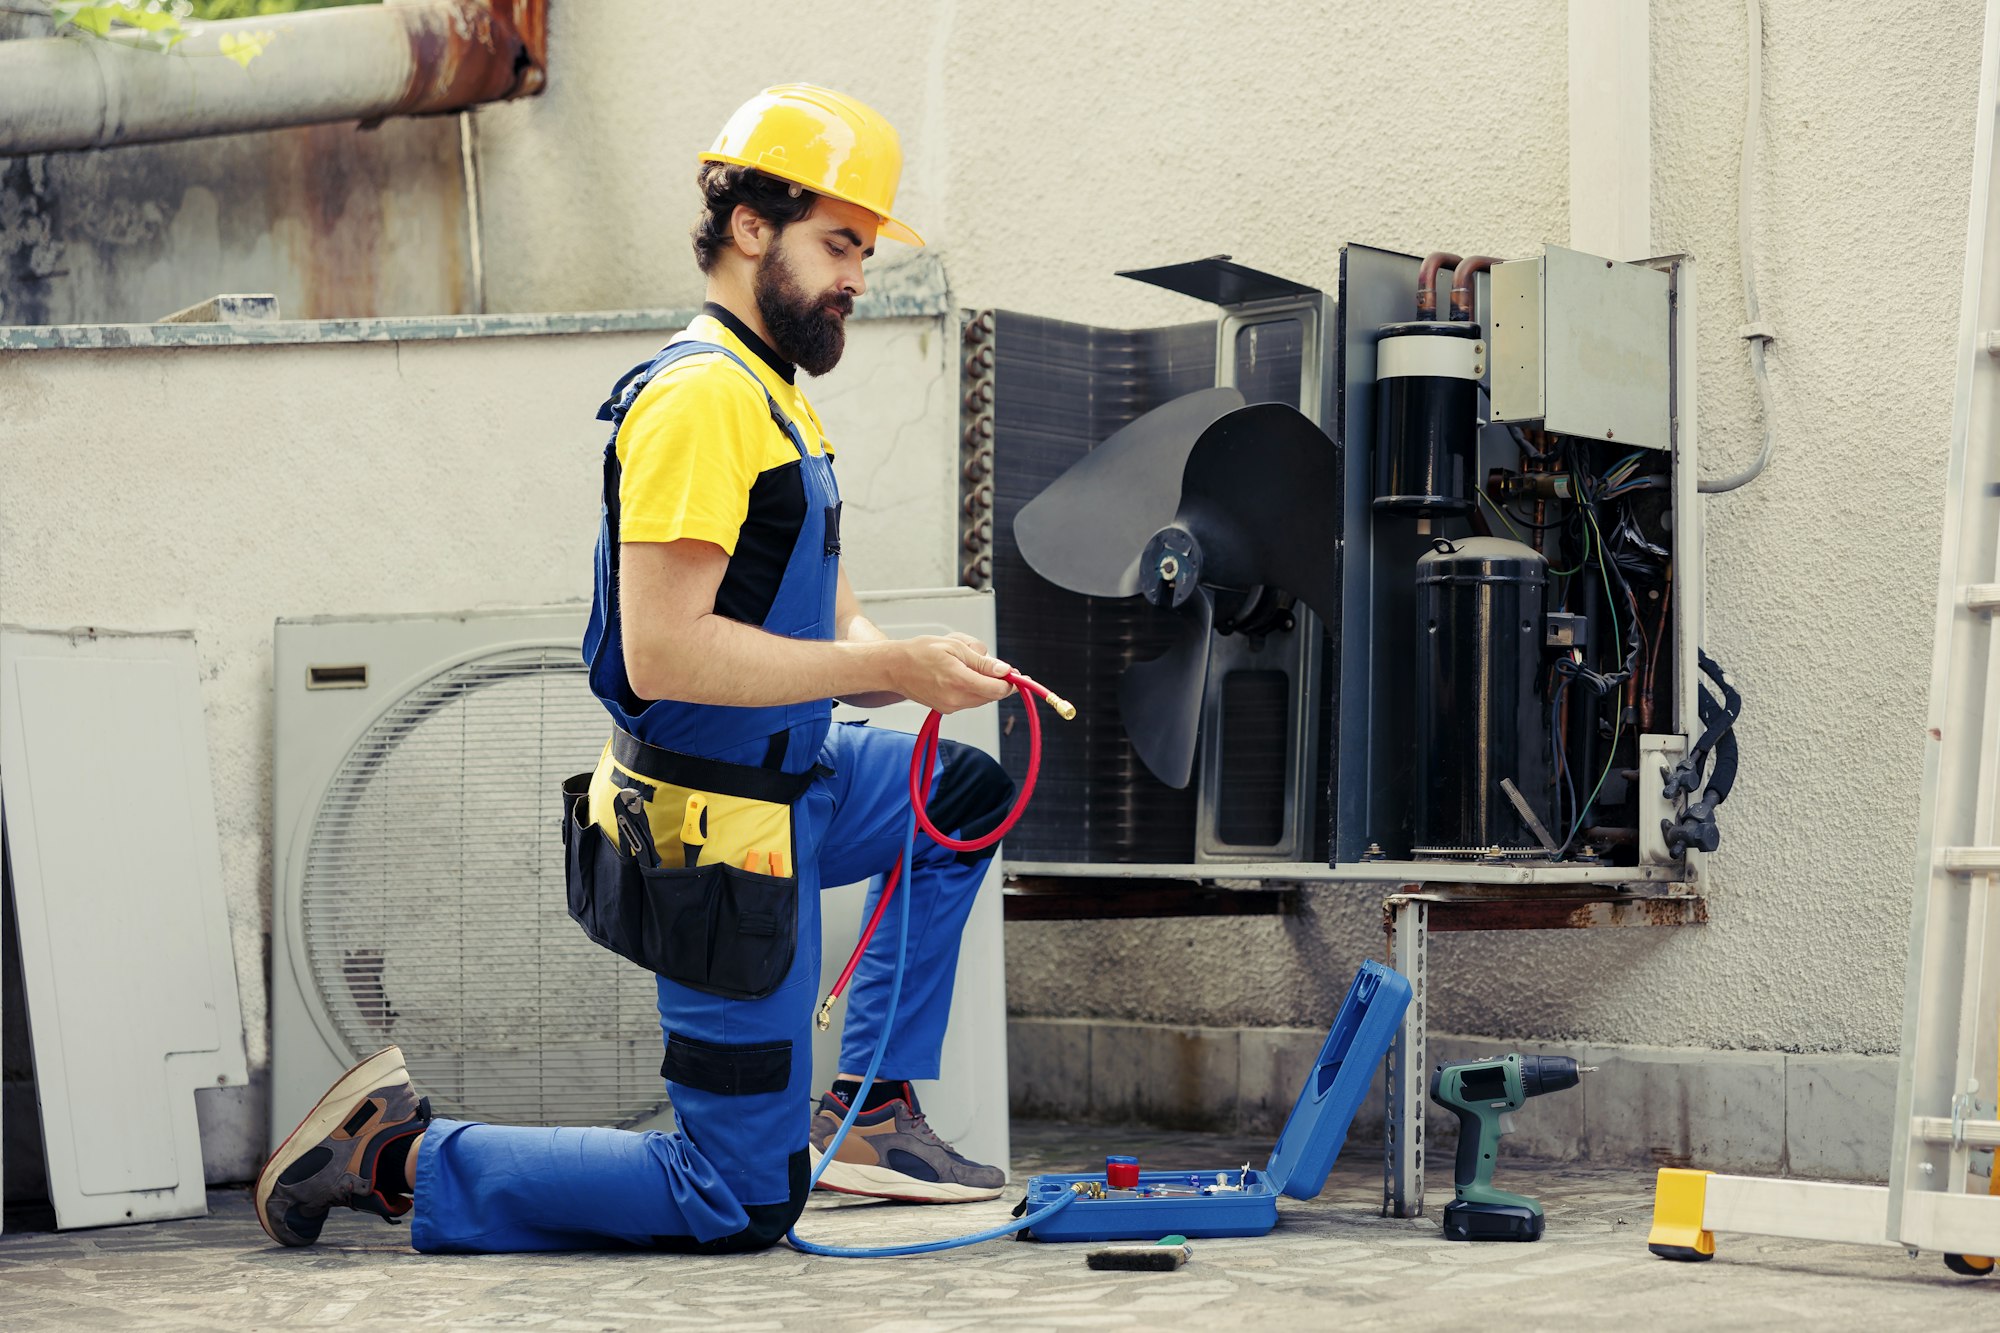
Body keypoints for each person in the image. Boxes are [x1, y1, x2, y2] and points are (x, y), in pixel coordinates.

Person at [255, 84, 1022, 1254]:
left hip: (798, 774)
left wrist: (915, 669)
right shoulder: (702, 399)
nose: (857, 277)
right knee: (737, 1198)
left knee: (953, 797)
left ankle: (868, 1112)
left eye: (864, 250)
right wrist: (894, 667)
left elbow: (836, 633)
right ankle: (391, 1151)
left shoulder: (775, 397)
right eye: (837, 244)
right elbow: (667, 652)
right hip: (718, 830)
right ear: (750, 228)